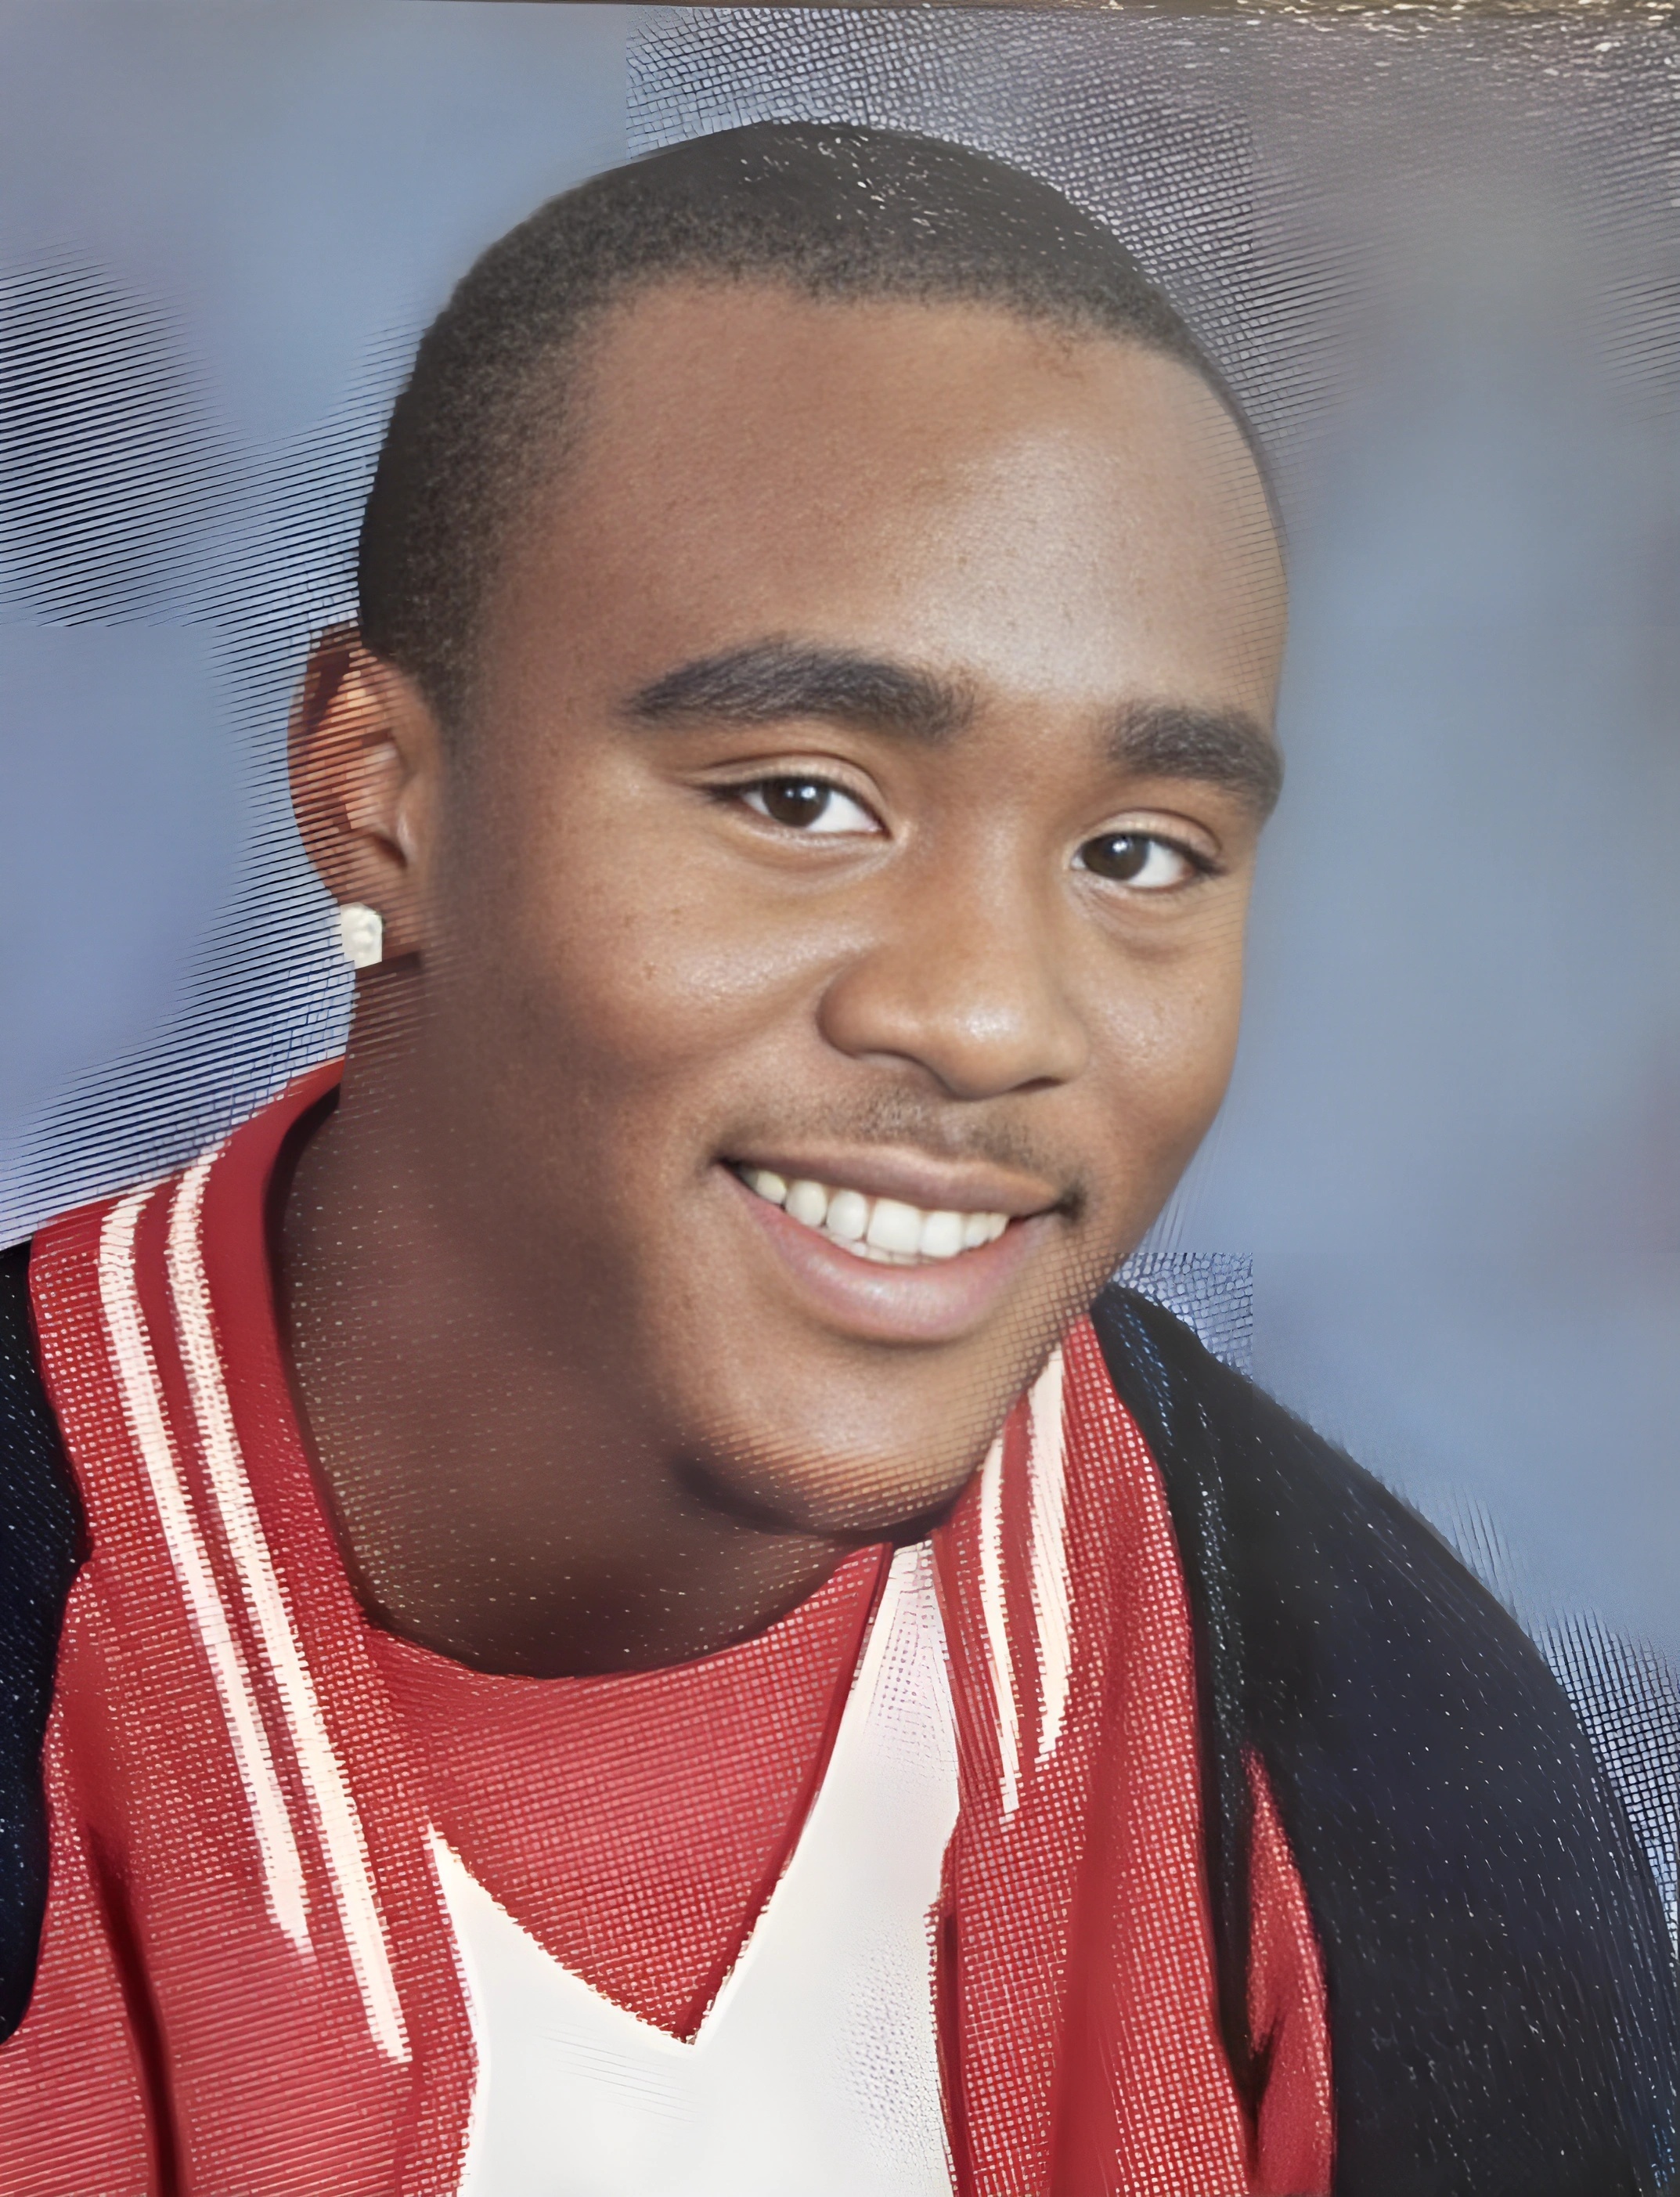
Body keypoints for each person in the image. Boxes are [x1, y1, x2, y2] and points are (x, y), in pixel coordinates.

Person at [0, 121, 1671, 2197]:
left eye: (1138, 853)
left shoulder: (1376, 1765)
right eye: (800, 798)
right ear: (379, 790)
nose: (986, 1016)